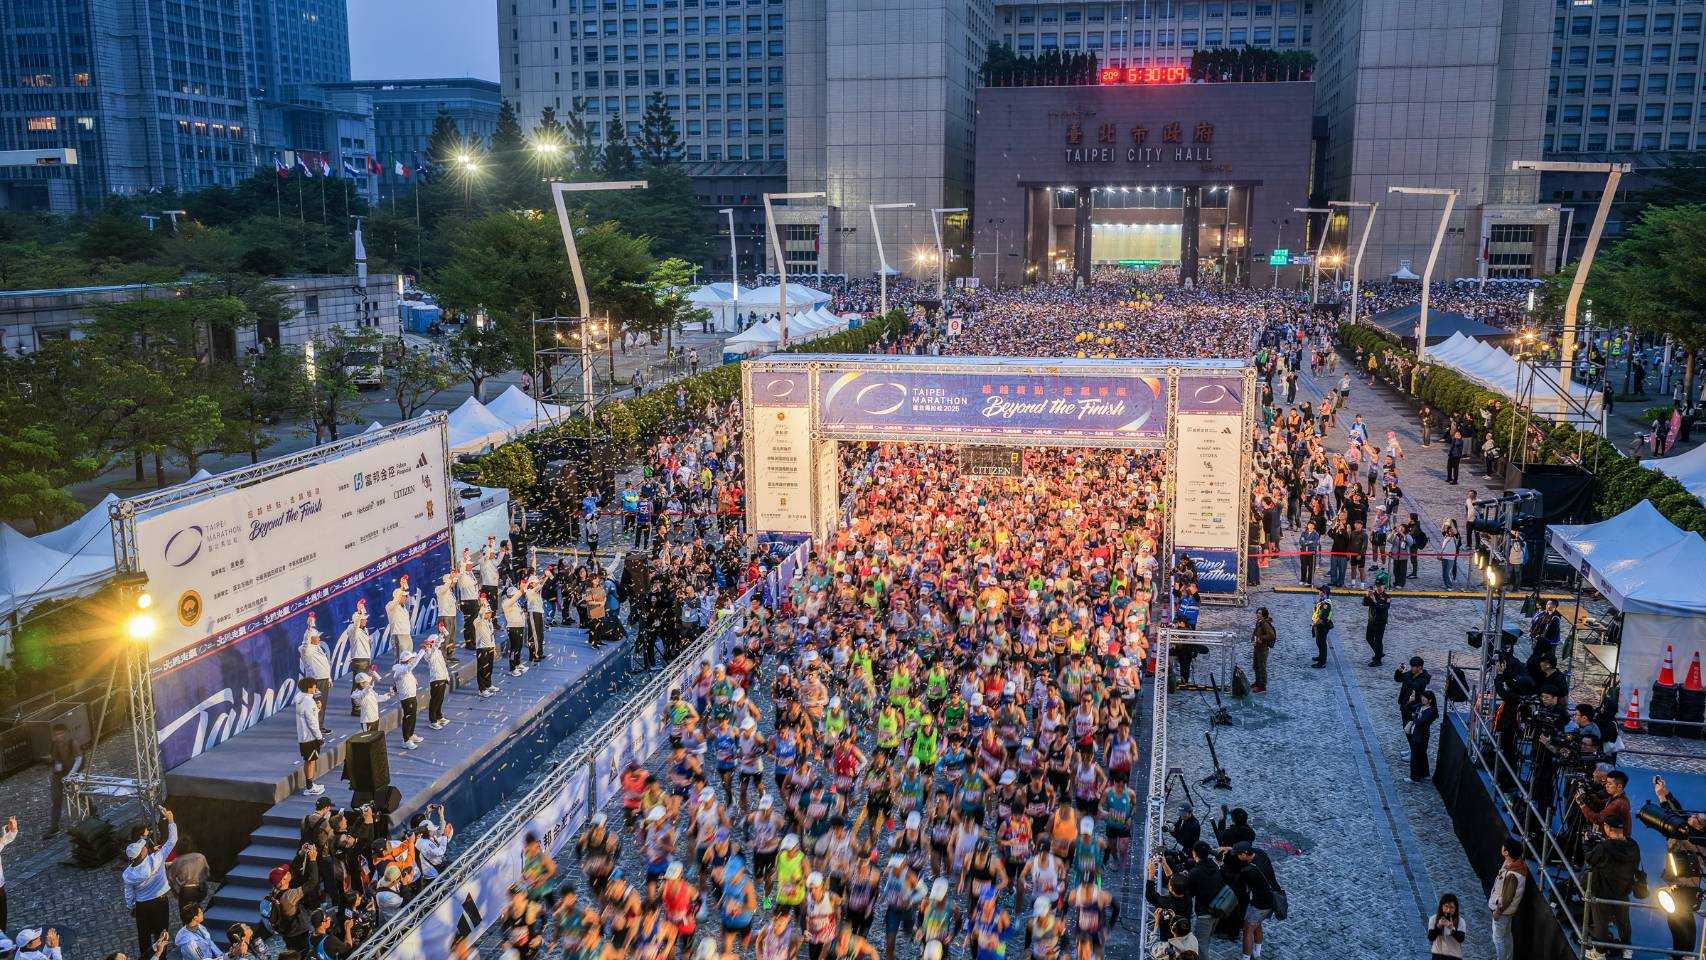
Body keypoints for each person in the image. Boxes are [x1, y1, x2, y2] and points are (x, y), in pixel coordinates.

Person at [122, 808, 178, 958]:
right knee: (162, 933)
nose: (146, 847)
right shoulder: (157, 859)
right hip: (160, 902)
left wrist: (131, 907)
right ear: (142, 852)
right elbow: (172, 840)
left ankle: (146, 957)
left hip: (142, 906)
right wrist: (171, 821)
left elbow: (129, 893)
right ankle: (161, 957)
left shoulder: (127, 874)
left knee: (144, 936)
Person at [1584, 811, 1639, 956]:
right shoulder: (1633, 845)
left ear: (1608, 828)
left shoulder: (1604, 847)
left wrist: (1587, 843)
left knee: (1601, 922)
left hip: (1603, 891)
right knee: (1623, 922)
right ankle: (1627, 949)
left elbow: (1590, 858)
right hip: (1623, 890)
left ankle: (1599, 953)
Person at [1487, 839, 1527, 960]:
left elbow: (1507, 897)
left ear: (1506, 852)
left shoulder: (1512, 875)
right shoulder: (1515, 864)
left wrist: (1498, 911)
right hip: (1508, 911)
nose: (1501, 847)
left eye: (1503, 847)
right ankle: (1509, 957)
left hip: (1502, 911)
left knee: (1498, 938)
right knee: (1507, 935)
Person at [47, 723, 84, 835]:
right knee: (56, 799)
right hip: (59, 775)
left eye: (60, 734)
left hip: (72, 774)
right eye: (56, 734)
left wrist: (71, 774)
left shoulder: (72, 743)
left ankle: (92, 810)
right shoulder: (54, 744)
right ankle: (54, 826)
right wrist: (54, 764)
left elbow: (79, 759)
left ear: (65, 733)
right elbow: (56, 759)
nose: (58, 736)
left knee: (80, 794)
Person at [299, 614, 333, 736]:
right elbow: (306, 643)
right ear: (311, 639)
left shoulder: (318, 648)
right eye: (317, 637)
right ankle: (315, 727)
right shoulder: (306, 650)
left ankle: (319, 726)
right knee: (316, 705)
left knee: (321, 704)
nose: (319, 639)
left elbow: (324, 664)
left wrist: (329, 678)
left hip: (323, 679)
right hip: (316, 681)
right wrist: (309, 628)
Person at [295, 678, 326, 796]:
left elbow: (308, 716)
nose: (316, 688)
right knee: (310, 761)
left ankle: (310, 784)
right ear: (309, 688)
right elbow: (312, 723)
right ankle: (309, 787)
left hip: (304, 737)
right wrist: (320, 738)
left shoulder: (301, 698)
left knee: (309, 760)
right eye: (314, 686)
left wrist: (317, 708)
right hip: (310, 737)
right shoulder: (308, 702)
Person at [1407, 690, 1439, 781]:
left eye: (1424, 698)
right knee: (1421, 755)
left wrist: (1414, 716)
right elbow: (1409, 708)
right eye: (1422, 697)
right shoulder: (1421, 706)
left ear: (1430, 700)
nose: (1422, 699)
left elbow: (1420, 722)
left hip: (1422, 736)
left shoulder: (1431, 712)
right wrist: (1410, 701)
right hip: (1417, 733)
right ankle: (1425, 773)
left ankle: (1415, 777)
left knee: (1416, 756)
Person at [394, 650, 423, 749]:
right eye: (411, 659)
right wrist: (423, 651)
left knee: (413, 716)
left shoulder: (405, 669)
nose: (412, 660)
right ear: (408, 660)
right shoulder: (402, 669)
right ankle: (406, 740)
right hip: (407, 698)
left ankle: (410, 735)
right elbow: (413, 665)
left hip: (412, 696)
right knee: (408, 718)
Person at [1425, 893, 1466, 959]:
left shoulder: (1461, 921)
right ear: (1442, 906)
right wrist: (1438, 926)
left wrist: (1452, 929)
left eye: (1451, 907)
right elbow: (1431, 937)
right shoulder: (1433, 919)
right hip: (1438, 956)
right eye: (1446, 906)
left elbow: (1461, 939)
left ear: (1455, 908)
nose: (1448, 910)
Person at [1362, 584, 1390, 667]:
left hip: (1380, 622)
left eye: (1380, 586)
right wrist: (1367, 596)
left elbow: (1382, 608)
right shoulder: (1372, 595)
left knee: (1378, 640)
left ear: (1383, 587)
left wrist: (1375, 601)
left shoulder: (1387, 597)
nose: (1378, 588)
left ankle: (1378, 660)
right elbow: (1364, 603)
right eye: (1377, 586)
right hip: (1371, 621)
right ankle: (1379, 653)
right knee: (1369, 638)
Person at [1250, 607, 1275, 693]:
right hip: (1257, 647)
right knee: (1256, 666)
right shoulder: (1259, 622)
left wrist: (1260, 638)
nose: (1257, 614)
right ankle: (1257, 682)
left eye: (1260, 613)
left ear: (1264, 615)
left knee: (1262, 667)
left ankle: (1262, 686)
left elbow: (1271, 635)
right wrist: (1253, 639)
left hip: (1263, 649)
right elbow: (1256, 632)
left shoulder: (1265, 624)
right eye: (1257, 613)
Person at [1310, 587, 1333, 669]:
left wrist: (1314, 624)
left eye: (1321, 591)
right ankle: (1320, 656)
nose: (1319, 592)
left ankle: (1322, 662)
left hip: (1322, 626)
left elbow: (1322, 617)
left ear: (1325, 593)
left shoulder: (1326, 604)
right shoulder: (1322, 600)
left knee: (1321, 643)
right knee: (1319, 642)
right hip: (1318, 625)